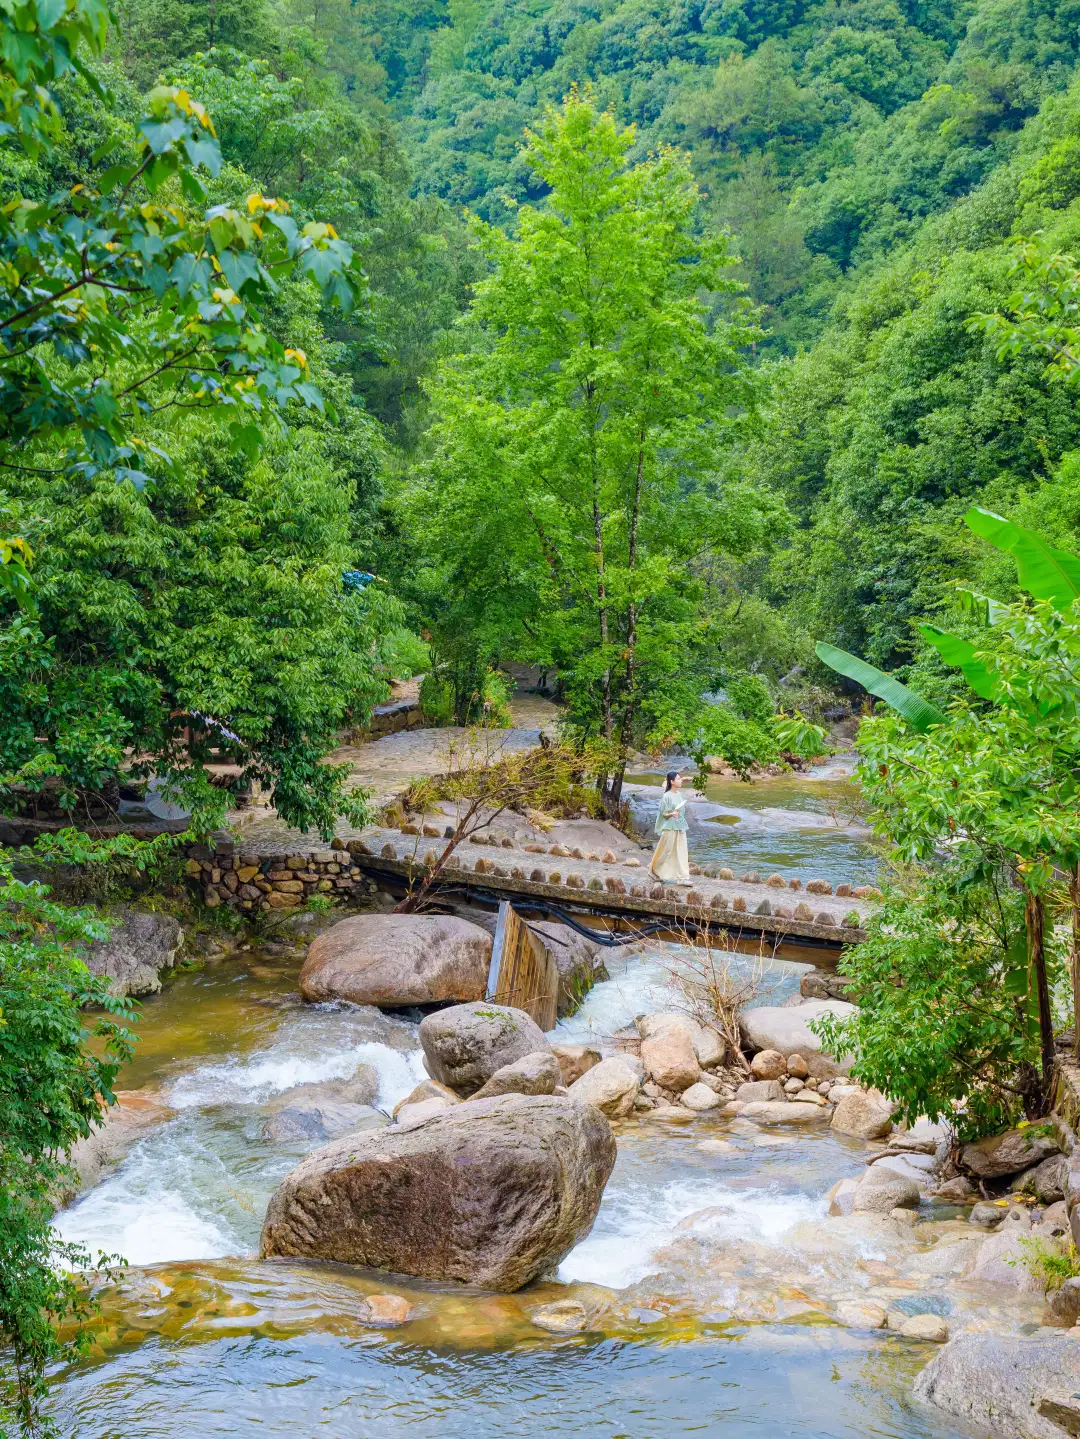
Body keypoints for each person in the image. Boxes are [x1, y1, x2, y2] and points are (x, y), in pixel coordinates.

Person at [650, 771, 691, 884]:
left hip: (680, 826)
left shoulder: (679, 795)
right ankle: (654, 870)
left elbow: (681, 811)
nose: (680, 780)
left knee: (682, 851)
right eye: (678, 779)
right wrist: (672, 814)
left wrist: (678, 816)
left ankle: (683, 877)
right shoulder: (666, 796)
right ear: (672, 782)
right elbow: (664, 814)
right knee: (666, 851)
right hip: (669, 827)